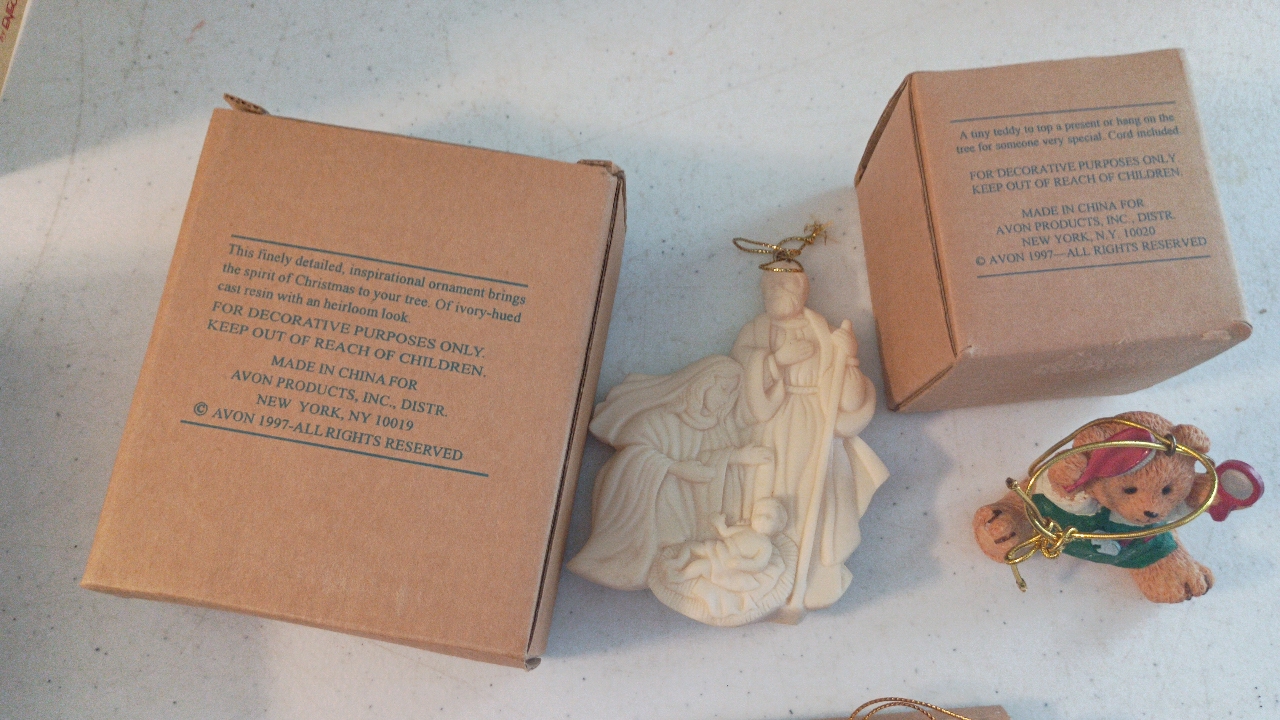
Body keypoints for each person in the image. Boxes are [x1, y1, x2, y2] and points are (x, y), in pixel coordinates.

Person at [730, 270, 889, 618]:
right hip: (768, 424)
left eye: (787, 283)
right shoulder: (754, 332)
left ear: (803, 290)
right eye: (772, 284)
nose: (778, 289)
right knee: (763, 495)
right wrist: (776, 361)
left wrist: (849, 357)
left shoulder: (825, 332)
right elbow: (736, 380)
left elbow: (850, 400)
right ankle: (759, 577)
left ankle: (808, 580)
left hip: (815, 425)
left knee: (811, 497)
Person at [567, 355, 770, 590]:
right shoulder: (659, 420)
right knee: (663, 480)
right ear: (703, 384)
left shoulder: (718, 429)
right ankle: (650, 555)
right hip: (657, 515)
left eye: (731, 393)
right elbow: (632, 458)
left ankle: (683, 557)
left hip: (695, 520)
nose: (726, 399)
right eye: (723, 389)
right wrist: (676, 468)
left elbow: (712, 459)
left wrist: (736, 457)